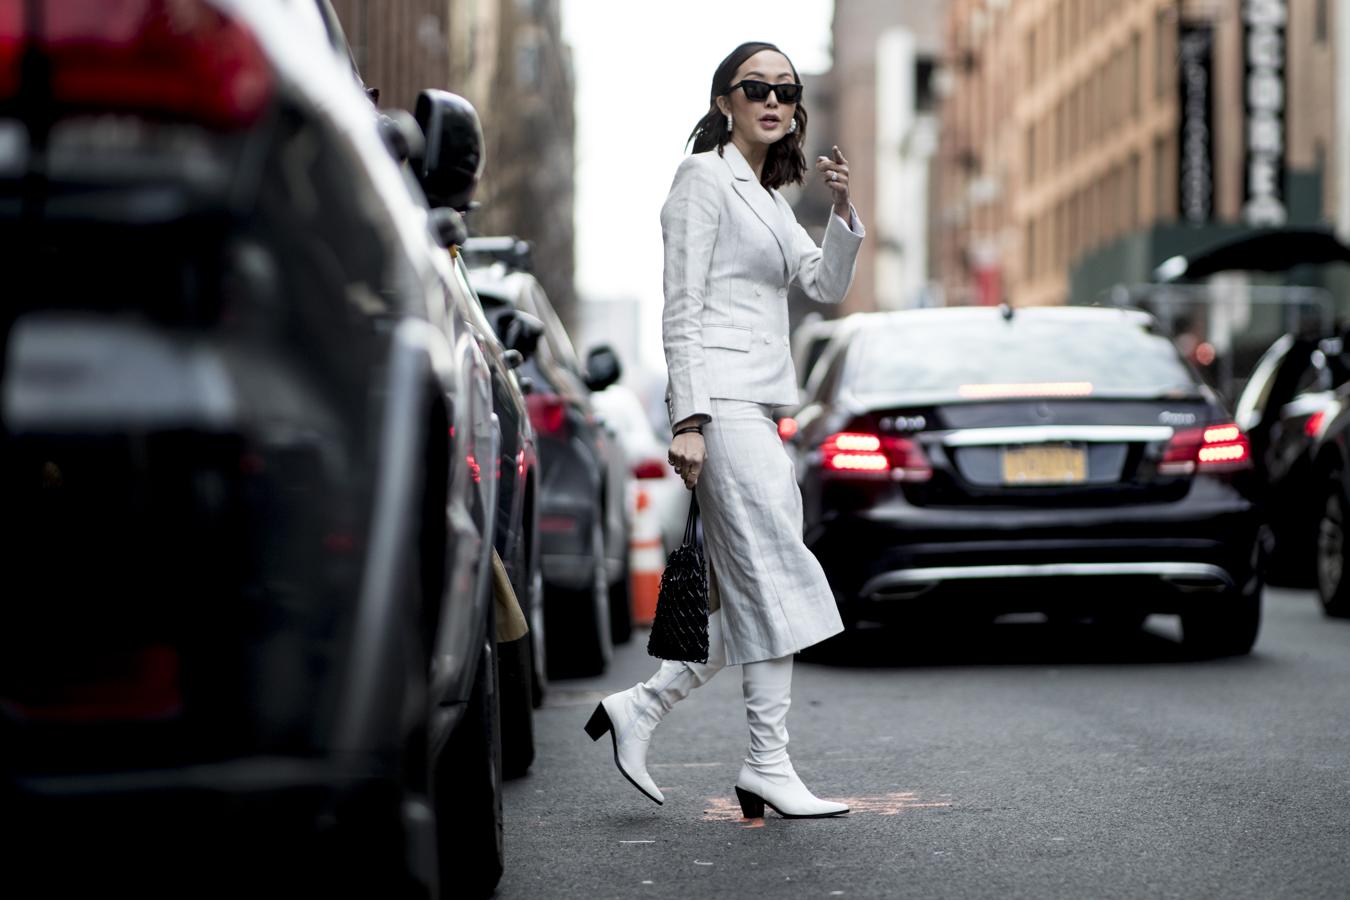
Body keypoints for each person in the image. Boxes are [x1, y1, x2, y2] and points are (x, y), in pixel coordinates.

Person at [584, 40, 863, 819]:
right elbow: (681, 304)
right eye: (756, 87)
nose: (773, 100)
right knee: (777, 577)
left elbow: (823, 283)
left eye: (786, 90)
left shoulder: (770, 198)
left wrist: (842, 214)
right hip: (725, 406)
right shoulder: (701, 178)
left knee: (754, 590)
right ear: (724, 101)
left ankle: (641, 708)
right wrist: (689, 419)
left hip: (760, 407)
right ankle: (766, 763)